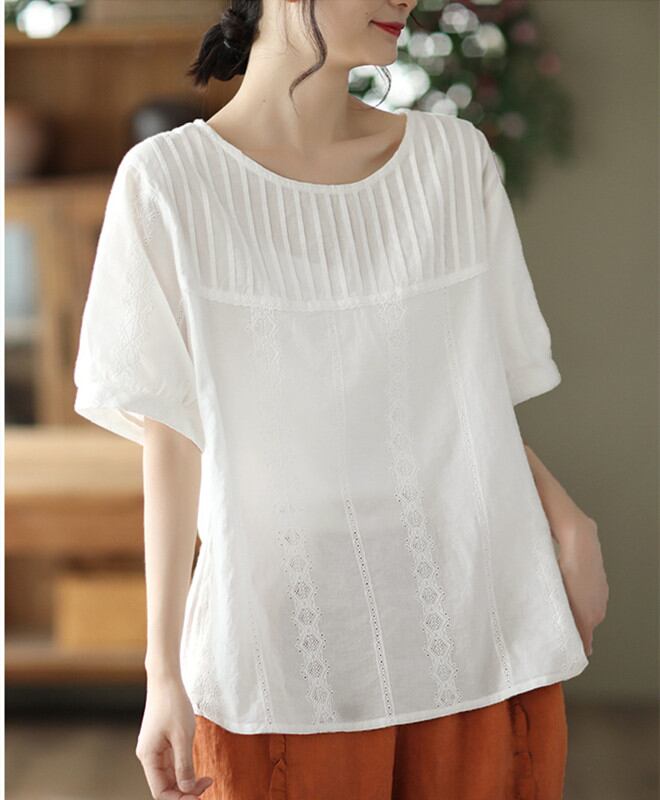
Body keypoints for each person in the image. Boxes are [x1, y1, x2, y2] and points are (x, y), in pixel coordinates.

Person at [72, 1, 609, 798]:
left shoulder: (451, 161)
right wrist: (165, 673)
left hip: (482, 624)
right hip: (281, 656)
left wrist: (564, 517)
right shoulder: (168, 184)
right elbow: (173, 438)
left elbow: (464, 396)